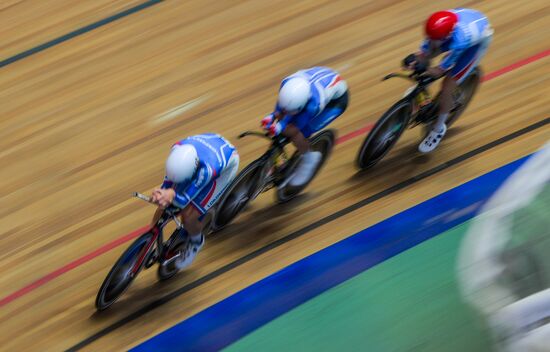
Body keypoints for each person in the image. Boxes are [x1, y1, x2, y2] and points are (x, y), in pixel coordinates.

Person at [403, 8, 493, 153]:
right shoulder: (437, 28)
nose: (430, 39)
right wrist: (414, 60)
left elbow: (441, 69)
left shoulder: (461, 41)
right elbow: (425, 51)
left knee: (447, 85)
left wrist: (430, 70)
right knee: (425, 59)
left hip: (475, 45)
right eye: (429, 36)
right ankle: (421, 93)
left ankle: (438, 129)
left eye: (434, 38)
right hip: (461, 24)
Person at [150, 133, 239, 269]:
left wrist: (171, 195)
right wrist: (162, 193)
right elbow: (168, 182)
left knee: (188, 216)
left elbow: (183, 201)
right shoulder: (176, 149)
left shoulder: (206, 171)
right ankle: (150, 240)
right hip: (208, 144)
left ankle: (196, 242)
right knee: (163, 204)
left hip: (224, 166)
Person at [261, 67, 348, 186]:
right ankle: (274, 159)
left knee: (298, 132)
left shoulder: (315, 104)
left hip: (335, 103)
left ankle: (310, 158)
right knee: (284, 122)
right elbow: (281, 108)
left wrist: (279, 127)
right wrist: (271, 117)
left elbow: (296, 126)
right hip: (314, 84)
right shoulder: (287, 83)